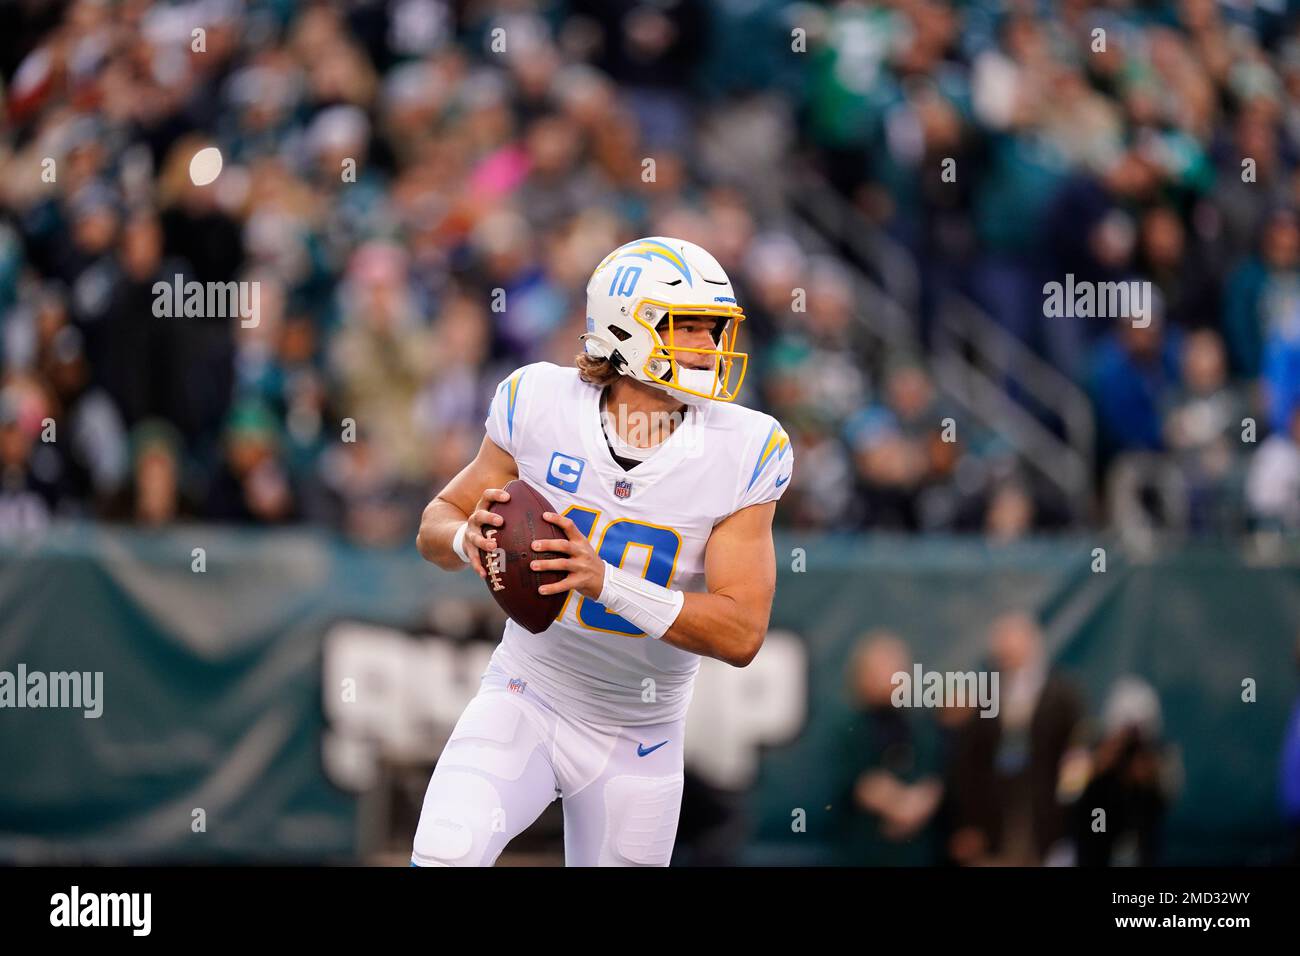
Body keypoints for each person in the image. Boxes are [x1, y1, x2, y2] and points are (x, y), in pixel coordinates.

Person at [411, 237, 794, 866]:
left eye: (715, 329)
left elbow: (742, 632)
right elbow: (437, 521)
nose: (710, 346)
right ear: (625, 327)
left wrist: (605, 581)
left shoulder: (744, 447)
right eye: (688, 327)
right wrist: (466, 538)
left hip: (638, 733)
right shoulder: (538, 402)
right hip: (526, 693)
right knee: (444, 854)